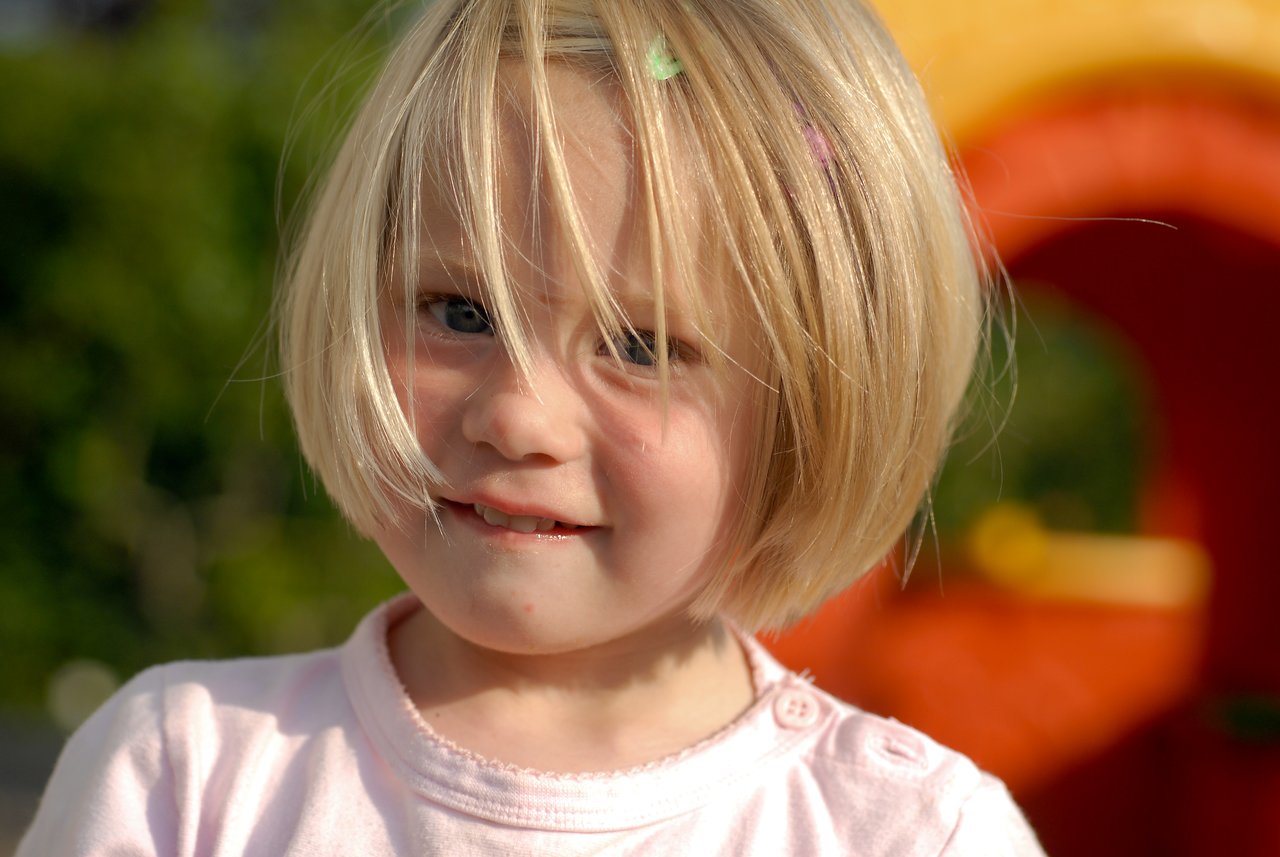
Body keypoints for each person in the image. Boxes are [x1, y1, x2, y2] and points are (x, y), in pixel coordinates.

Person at [19, 1, 1046, 853]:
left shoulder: (908, 833)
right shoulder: (184, 778)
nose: (516, 415)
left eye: (641, 346)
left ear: (814, 406)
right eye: (459, 312)